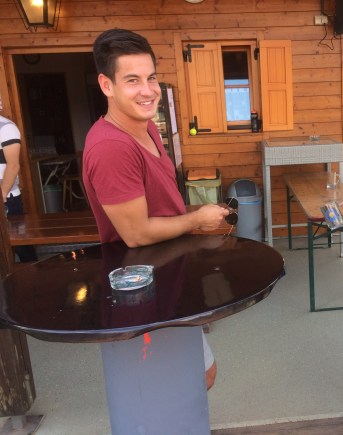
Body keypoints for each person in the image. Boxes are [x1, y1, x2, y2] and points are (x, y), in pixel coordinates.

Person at [83, 28, 229, 390]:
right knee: (168, 383)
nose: (148, 90)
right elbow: (136, 234)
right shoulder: (111, 148)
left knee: (200, 375)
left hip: (169, 274)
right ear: (106, 85)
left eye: (151, 78)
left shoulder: (147, 128)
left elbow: (160, 201)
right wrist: (197, 218)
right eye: (132, 80)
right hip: (140, 291)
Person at [0, 97, 38, 263]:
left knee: (21, 245)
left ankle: (34, 274)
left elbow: (13, 165)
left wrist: (2, 195)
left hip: (8, 199)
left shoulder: (6, 128)